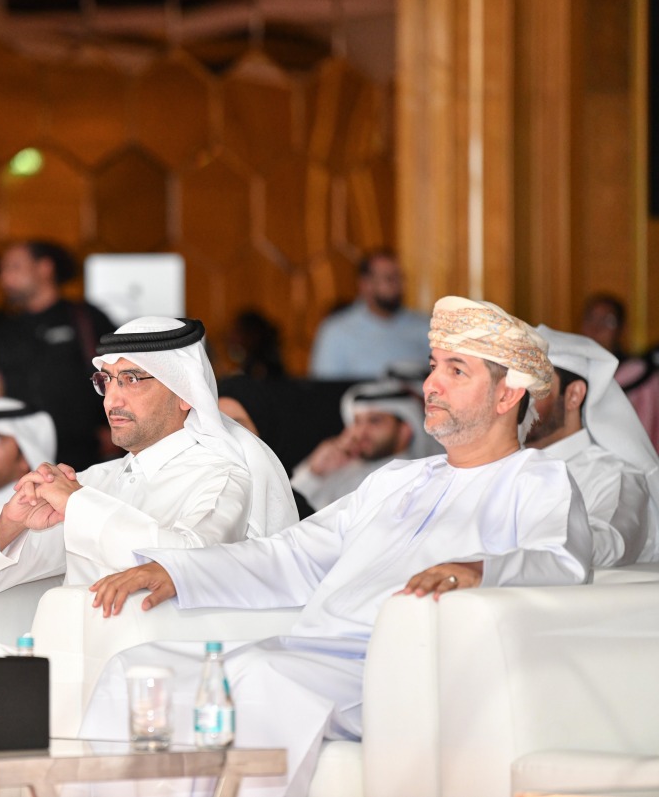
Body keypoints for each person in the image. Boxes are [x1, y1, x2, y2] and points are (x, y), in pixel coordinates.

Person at [81, 297, 592, 797]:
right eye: (434, 366)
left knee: (262, 679)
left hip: (393, 672)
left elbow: (562, 563)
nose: (431, 385)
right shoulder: (398, 480)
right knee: (139, 669)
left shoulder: (537, 478)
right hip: (307, 655)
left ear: (507, 396)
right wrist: (179, 572)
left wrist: (480, 571)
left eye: (456, 371)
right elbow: (294, 554)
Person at [0, 316, 299, 599]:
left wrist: (80, 504)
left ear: (185, 393)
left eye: (131, 379)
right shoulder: (95, 483)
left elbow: (190, 562)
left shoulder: (223, 476)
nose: (112, 400)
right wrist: (10, 522)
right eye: (106, 381)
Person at [527, 326, 659, 565]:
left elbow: (611, 543)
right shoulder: (503, 468)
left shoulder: (615, 476)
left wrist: (501, 562)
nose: (517, 397)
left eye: (532, 384)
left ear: (574, 394)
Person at [0, 239, 116, 471]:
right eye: (2, 270)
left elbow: (116, 371)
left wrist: (114, 425)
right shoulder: (6, 328)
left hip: (85, 451)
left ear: (45, 268)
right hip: (22, 454)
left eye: (14, 267)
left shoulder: (84, 317)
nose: (4, 278)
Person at [290, 380, 441, 511]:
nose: (361, 431)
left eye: (374, 421)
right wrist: (314, 473)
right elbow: (280, 511)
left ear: (405, 430)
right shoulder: (337, 468)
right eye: (357, 421)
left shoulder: (418, 480)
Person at [308, 250, 431, 379]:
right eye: (389, 278)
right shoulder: (336, 332)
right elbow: (324, 391)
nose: (397, 285)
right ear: (365, 285)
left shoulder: (425, 327)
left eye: (400, 277)